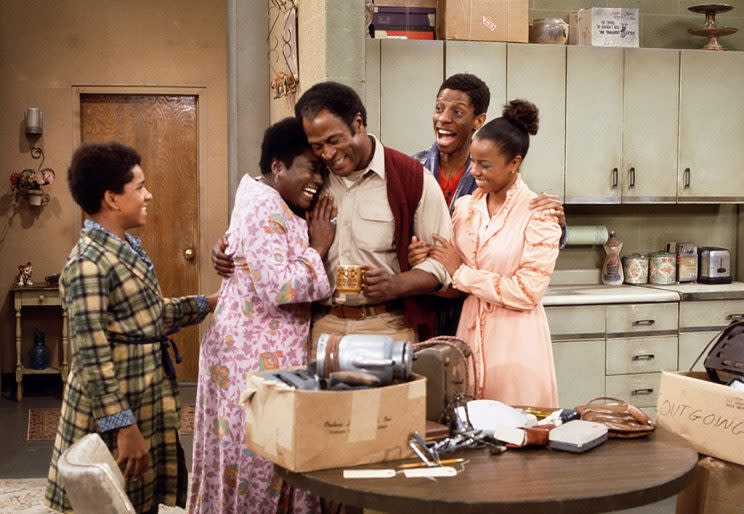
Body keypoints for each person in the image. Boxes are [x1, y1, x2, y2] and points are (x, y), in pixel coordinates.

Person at [45, 142, 218, 514]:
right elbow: (91, 356)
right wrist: (123, 426)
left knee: (140, 496)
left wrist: (210, 303)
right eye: (139, 187)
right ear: (112, 198)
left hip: (144, 392)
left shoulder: (125, 248)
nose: (148, 195)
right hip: (112, 405)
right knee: (108, 497)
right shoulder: (88, 263)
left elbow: (150, 317)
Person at [214, 81, 453, 344]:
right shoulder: (311, 182)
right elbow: (266, 221)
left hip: (387, 328)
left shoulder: (412, 178)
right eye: (317, 146)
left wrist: (395, 285)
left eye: (334, 140)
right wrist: (229, 248)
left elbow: (442, 264)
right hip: (319, 329)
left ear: (358, 124)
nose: (328, 154)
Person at [189, 118, 336, 514]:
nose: (319, 180)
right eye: (310, 167)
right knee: (259, 464)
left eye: (322, 170)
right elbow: (282, 287)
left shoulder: (268, 199)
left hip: (250, 354)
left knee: (258, 461)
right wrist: (318, 248)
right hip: (252, 361)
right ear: (277, 167)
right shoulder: (263, 205)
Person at [419, 99, 562, 407]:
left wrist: (461, 273)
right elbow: (449, 270)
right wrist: (425, 257)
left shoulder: (540, 213)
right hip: (468, 335)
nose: (475, 172)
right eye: (473, 162)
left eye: (485, 165)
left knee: (518, 430)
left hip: (516, 342)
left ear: (515, 163)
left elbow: (527, 291)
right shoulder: (466, 208)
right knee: (472, 430)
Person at [410, 73, 566, 336]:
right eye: (439, 108)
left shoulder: (497, 178)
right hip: (423, 303)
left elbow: (521, 234)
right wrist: (413, 255)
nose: (444, 118)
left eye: (457, 112)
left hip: (474, 306)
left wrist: (559, 223)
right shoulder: (414, 168)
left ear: (478, 120)